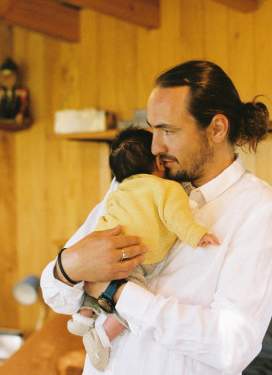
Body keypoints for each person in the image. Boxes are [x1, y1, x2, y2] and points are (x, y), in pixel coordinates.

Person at [41, 60, 272, 375]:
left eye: (168, 131)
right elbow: (57, 296)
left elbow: (232, 346)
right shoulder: (133, 182)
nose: (155, 146)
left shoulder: (261, 210)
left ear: (217, 128)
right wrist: (68, 266)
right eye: (153, 128)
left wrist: (118, 293)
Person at [68, 126, 220, 370]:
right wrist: (197, 235)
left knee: (97, 281)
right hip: (133, 259)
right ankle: (102, 337)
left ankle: (84, 316)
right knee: (133, 301)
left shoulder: (119, 191)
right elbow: (177, 218)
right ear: (159, 162)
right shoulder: (168, 189)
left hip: (102, 251)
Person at [0, 58, 30, 124]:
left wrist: (21, 113)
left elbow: (24, 104)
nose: (6, 79)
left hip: (16, 115)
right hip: (4, 116)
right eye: (3, 76)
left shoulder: (21, 91)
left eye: (10, 76)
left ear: (16, 77)